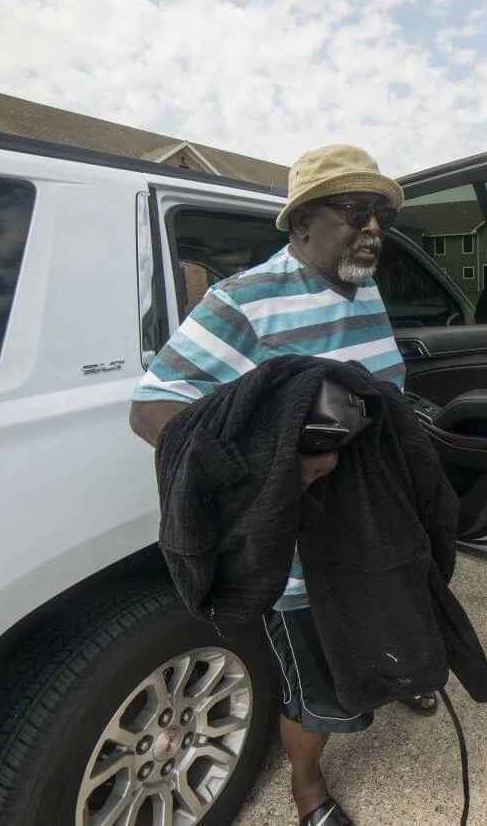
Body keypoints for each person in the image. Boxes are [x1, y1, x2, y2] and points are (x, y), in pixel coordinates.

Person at [129, 144, 437, 826]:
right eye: (356, 210)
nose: (374, 228)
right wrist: (276, 470)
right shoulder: (243, 302)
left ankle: (392, 676)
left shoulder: (364, 286)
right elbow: (152, 410)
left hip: (378, 517)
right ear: (301, 221)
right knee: (319, 688)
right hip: (306, 550)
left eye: (381, 214)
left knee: (393, 621)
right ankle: (308, 784)